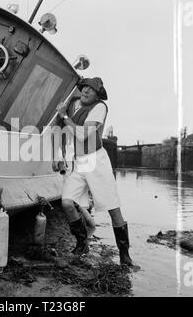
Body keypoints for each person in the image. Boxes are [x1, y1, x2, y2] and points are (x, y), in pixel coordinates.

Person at [52, 77, 133, 266]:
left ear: (98, 94)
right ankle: (82, 243)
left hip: (96, 161)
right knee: (66, 202)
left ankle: (125, 255)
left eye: (92, 90)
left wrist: (64, 116)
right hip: (78, 162)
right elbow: (60, 132)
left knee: (113, 209)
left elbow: (81, 134)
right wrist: (58, 155)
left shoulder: (100, 107)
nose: (87, 91)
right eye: (84, 88)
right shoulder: (74, 106)